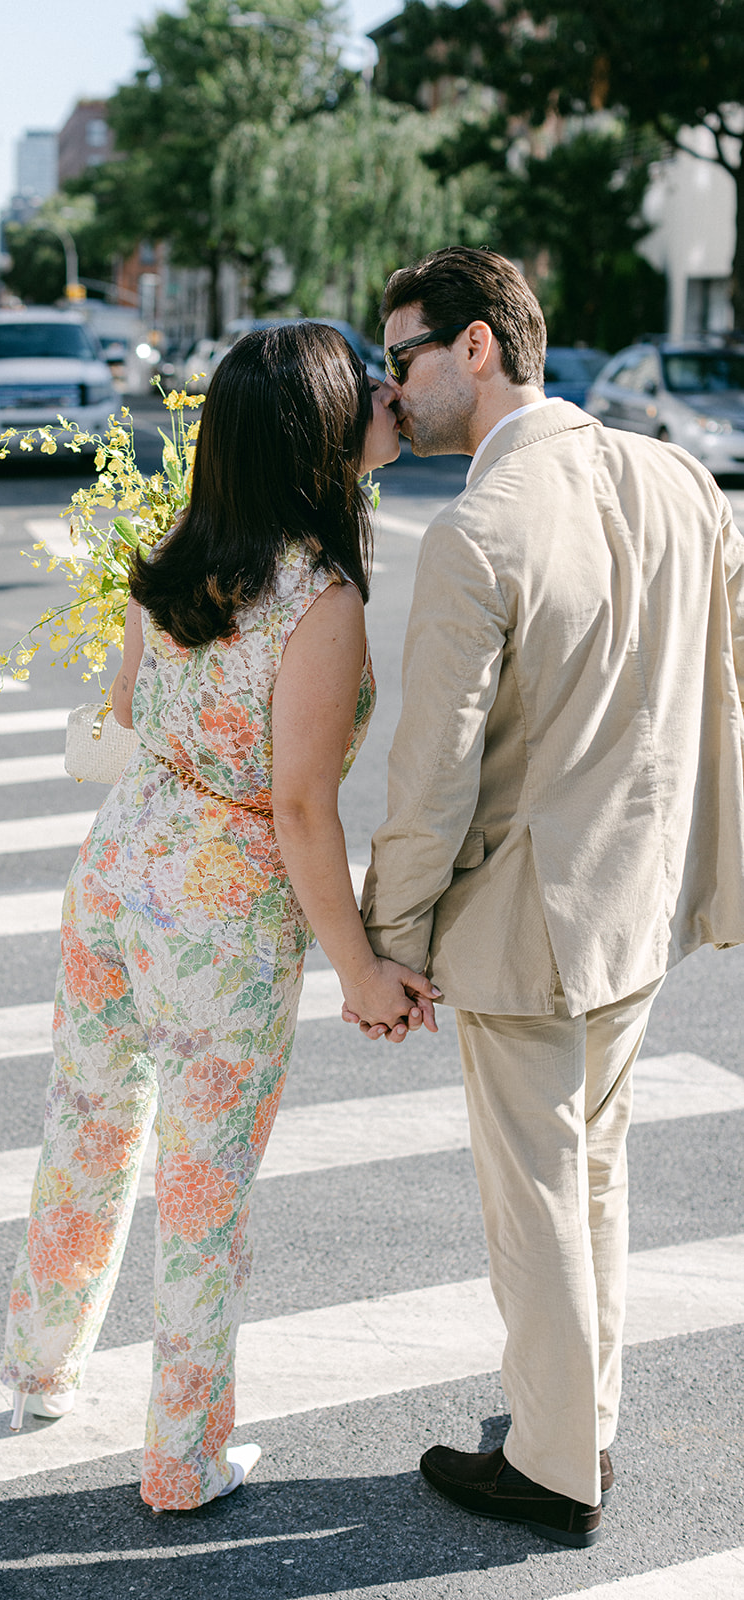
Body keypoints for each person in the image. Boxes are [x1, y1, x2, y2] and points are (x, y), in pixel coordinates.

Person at [1, 323, 438, 1512]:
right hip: (223, 921)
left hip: (115, 875)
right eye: (370, 391)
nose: (390, 399)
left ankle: (42, 1365)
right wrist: (357, 969)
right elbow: (299, 804)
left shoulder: (163, 558)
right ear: (318, 431)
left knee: (87, 1124)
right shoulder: (319, 595)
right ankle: (182, 1463)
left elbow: (128, 714)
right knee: (201, 1190)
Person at [351, 247, 744, 1547]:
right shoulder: (677, 478)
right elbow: (719, 694)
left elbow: (431, 775)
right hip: (641, 906)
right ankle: (579, 1426)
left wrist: (385, 942)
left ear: (475, 347)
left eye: (399, 353)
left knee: (533, 1202)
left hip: (525, 922)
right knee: (591, 1180)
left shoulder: (477, 528)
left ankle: (551, 1468)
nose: (388, 386)